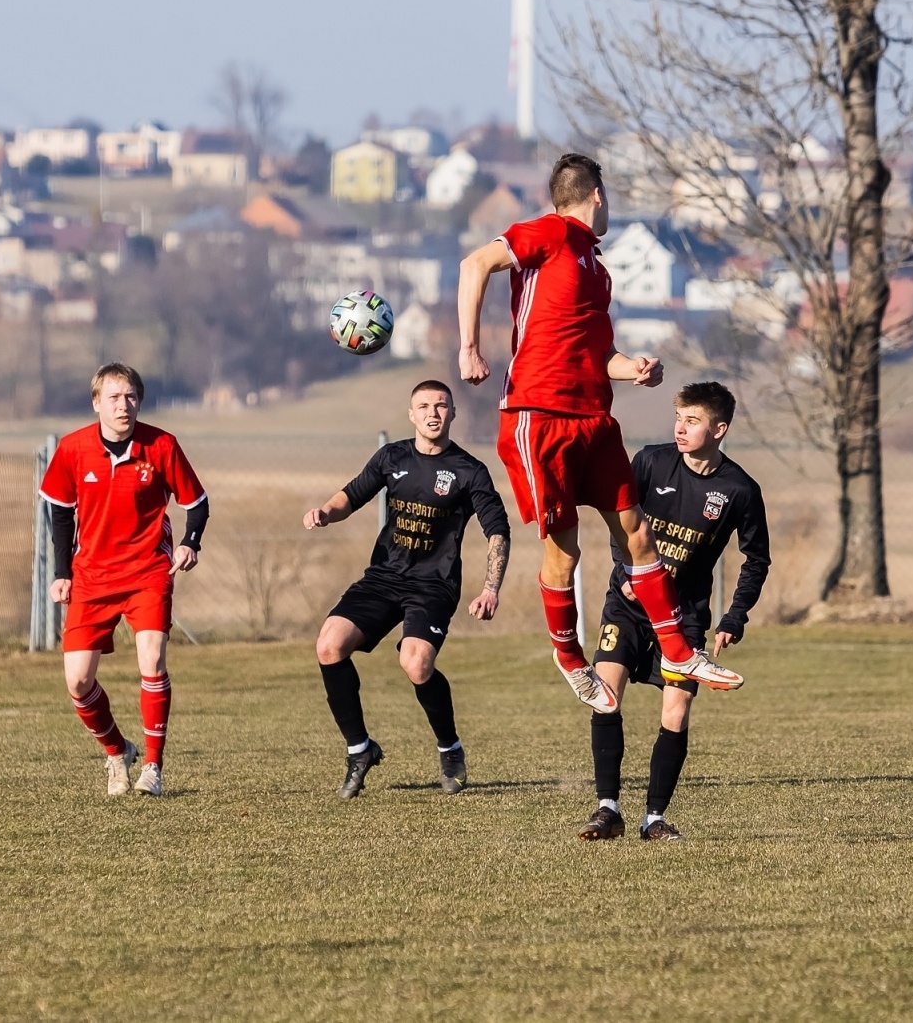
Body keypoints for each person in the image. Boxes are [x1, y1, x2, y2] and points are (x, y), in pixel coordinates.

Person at [456, 151, 743, 714]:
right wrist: (468, 346)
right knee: (565, 549)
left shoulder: (596, 266)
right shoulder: (550, 232)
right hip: (539, 416)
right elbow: (474, 265)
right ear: (596, 195)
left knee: (636, 534)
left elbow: (597, 354)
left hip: (594, 418)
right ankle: (570, 660)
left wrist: (631, 367)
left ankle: (678, 649)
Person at [577, 382, 770, 843]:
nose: (680, 428)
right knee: (605, 693)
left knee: (676, 710)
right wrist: (625, 568)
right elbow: (617, 514)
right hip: (628, 604)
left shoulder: (739, 489)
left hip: (684, 617)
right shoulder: (649, 461)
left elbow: (757, 559)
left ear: (719, 429)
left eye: (693, 420)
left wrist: (734, 617)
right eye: (679, 418)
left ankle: (654, 819)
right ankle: (607, 810)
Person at [304, 380, 511, 799]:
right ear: (411, 414)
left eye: (441, 405)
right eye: (424, 406)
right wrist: (326, 511)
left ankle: (450, 747)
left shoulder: (470, 471)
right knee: (329, 646)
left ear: (453, 413)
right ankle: (360, 750)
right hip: (383, 576)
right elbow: (352, 494)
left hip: (433, 585)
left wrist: (491, 587)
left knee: (416, 665)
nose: (433, 412)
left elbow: (498, 531)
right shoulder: (392, 456)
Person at [39, 363, 208, 798]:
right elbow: (59, 511)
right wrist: (62, 573)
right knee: (77, 681)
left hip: (148, 570)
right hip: (92, 575)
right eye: (114, 397)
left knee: (151, 661)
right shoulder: (73, 449)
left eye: (131, 396)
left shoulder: (161, 445)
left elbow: (197, 502)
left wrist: (190, 542)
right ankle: (118, 752)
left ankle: (153, 765)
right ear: (96, 403)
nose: (123, 405)